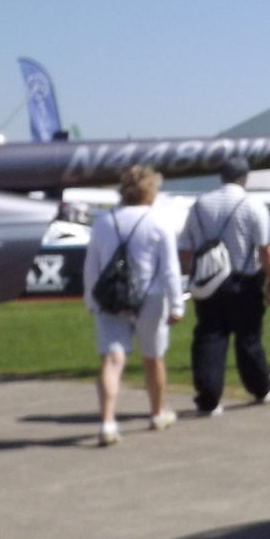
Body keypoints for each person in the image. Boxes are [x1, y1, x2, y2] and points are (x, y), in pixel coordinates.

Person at [83, 165, 184, 445]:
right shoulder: (159, 221)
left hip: (109, 298)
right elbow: (170, 270)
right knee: (152, 359)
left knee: (112, 360)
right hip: (149, 298)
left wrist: (91, 299)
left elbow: (91, 265)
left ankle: (106, 422)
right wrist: (177, 304)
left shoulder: (103, 221)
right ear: (150, 190)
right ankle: (155, 413)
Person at [180, 155, 270, 416]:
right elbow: (265, 250)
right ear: (244, 177)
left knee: (209, 338)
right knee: (248, 339)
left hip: (208, 282)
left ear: (221, 177)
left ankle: (208, 398)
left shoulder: (200, 205)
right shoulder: (252, 205)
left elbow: (186, 248)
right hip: (243, 282)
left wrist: (187, 277)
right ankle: (260, 387)